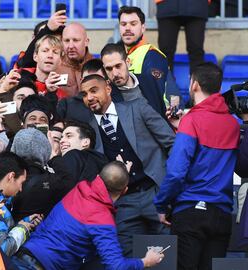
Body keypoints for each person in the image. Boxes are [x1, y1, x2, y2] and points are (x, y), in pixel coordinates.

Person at [154, 63, 240, 270]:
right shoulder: (233, 123)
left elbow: (176, 172)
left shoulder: (191, 121)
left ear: (194, 85)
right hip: (222, 215)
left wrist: (161, 204)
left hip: (191, 213)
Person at [80, 74, 175, 256]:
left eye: (94, 90)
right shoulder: (88, 129)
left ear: (108, 88)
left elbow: (171, 144)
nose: (89, 97)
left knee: (168, 257)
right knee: (126, 259)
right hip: (123, 203)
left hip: (156, 192)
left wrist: (170, 188)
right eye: (84, 94)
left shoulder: (137, 107)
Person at [12, 161, 164, 270]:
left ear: (98, 177)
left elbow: (108, 178)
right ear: (124, 191)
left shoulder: (79, 189)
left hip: (22, 255)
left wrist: (118, 170)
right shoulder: (102, 220)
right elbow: (116, 266)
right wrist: (145, 262)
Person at [10, 128, 74, 221]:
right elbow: (70, 184)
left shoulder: (6, 178)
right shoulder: (52, 181)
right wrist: (54, 157)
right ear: (46, 152)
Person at [117, 6, 168, 117]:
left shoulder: (152, 55)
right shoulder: (119, 55)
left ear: (143, 27)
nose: (127, 28)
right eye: (123, 24)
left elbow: (155, 101)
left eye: (133, 24)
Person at [156, 0, 209, 72]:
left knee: (196, 50)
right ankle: (165, 82)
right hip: (167, 5)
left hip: (197, 6)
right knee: (165, 52)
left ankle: (197, 82)